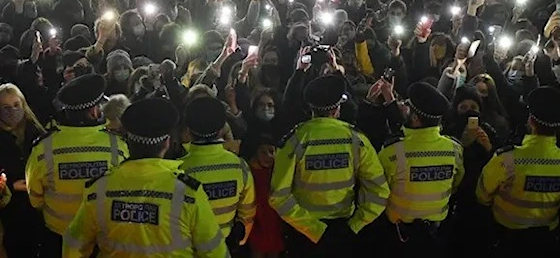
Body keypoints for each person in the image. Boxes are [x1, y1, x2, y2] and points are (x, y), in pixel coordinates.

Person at [62, 97, 230, 258]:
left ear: (128, 142)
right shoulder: (188, 194)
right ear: (166, 143)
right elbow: (214, 251)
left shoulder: (98, 189)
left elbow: (74, 244)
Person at [269, 74, 390, 258]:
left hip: (304, 235)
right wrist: (354, 225)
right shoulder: (357, 140)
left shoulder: (295, 140)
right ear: (337, 109)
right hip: (344, 231)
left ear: (311, 108)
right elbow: (380, 192)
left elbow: (278, 197)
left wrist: (314, 229)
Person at [25, 74, 129, 258]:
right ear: (93, 112)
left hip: (59, 238)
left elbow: (35, 199)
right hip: (101, 241)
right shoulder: (117, 146)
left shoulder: (43, 148)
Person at [476, 87, 560, 258]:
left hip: (506, 238)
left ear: (531, 121)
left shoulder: (507, 159)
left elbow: (482, 195)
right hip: (546, 241)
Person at [377, 82, 464, 257]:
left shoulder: (392, 151)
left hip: (399, 237)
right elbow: (455, 184)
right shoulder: (454, 149)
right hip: (436, 235)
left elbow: (378, 191)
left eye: (408, 108)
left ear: (415, 118)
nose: (404, 109)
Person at [180, 97, 256, 252]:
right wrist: (239, 240)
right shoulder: (239, 167)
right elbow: (248, 212)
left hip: (190, 250)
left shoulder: (178, 170)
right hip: (226, 246)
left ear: (188, 130)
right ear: (222, 128)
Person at [0, 83, 47, 257]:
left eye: (16, 105)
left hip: (40, 207)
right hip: (11, 211)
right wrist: (11, 186)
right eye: (5, 107)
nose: (12, 111)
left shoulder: (36, 133)